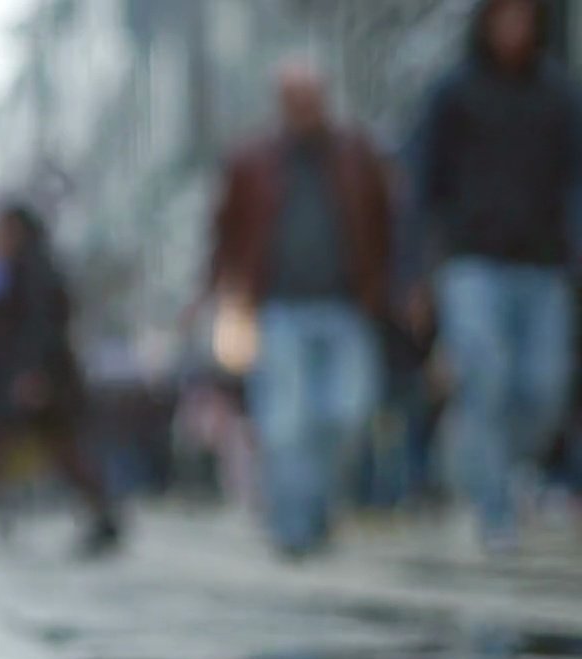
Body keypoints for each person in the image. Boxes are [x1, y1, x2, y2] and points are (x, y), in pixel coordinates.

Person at [408, 0, 582, 554]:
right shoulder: (453, 93)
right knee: (484, 378)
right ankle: (494, 509)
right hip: (472, 262)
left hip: (544, 264)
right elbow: (423, 185)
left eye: (524, 16)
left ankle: (504, 467)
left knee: (543, 386)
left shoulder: (561, 95)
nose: (513, 28)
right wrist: (418, 270)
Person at [204, 62, 395, 558]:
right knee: (285, 422)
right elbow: (223, 233)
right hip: (278, 310)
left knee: (347, 413)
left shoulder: (355, 154)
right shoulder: (252, 160)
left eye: (310, 95)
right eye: (293, 96)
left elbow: (386, 221)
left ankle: (317, 507)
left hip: (347, 305)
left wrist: (396, 286)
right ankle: (293, 527)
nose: (303, 106)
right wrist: (218, 292)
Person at [0, 202, 121, 557]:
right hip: (17, 377)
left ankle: (104, 516)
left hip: (35, 379)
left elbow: (41, 327)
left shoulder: (34, 270)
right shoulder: (7, 270)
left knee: (49, 450)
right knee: (0, 449)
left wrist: (33, 373)